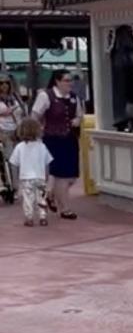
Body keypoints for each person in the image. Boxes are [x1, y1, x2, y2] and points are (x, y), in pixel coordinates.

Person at [32, 69, 83, 220]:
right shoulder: (46, 96)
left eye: (71, 80)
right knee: (62, 175)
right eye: (67, 80)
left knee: (72, 176)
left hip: (70, 138)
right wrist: (38, 131)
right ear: (57, 81)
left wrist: (78, 120)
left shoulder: (74, 97)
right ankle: (65, 208)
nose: (70, 83)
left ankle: (52, 194)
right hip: (53, 139)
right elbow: (35, 115)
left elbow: (80, 114)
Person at [9, 117, 53, 227]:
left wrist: (15, 181)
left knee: (28, 198)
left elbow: (14, 163)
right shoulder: (42, 146)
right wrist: (46, 175)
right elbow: (47, 162)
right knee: (41, 197)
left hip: (25, 177)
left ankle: (29, 218)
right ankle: (43, 217)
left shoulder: (19, 147)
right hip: (40, 176)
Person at [0, 72, 26, 192]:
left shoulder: (15, 97)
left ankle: (17, 184)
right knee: (11, 159)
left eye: (7, 83)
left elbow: (23, 112)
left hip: (18, 131)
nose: (4, 86)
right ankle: (13, 186)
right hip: (3, 132)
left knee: (20, 160)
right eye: (1, 83)